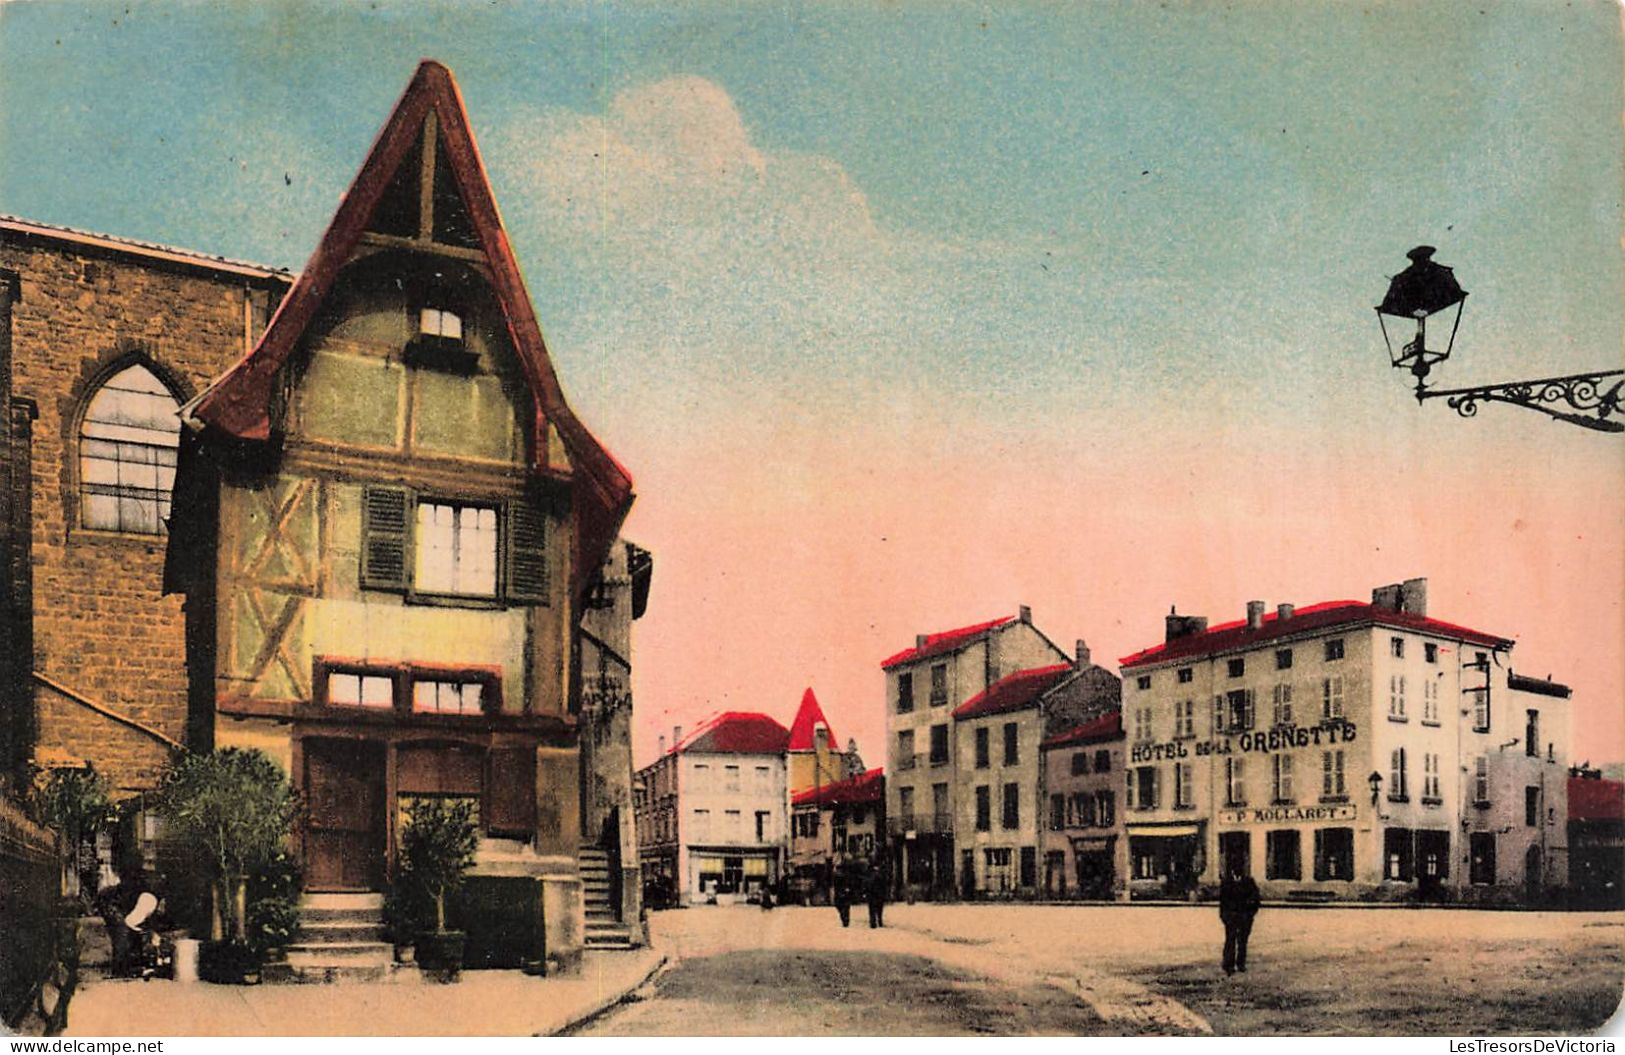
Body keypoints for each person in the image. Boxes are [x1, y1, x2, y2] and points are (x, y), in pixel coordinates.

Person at [95, 865, 159, 978]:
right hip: (109, 902)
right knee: (121, 932)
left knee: (130, 933)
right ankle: (121, 970)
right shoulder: (146, 901)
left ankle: (131, 966)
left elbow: (141, 925)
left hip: (123, 902)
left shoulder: (149, 899)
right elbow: (131, 923)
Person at [1218, 868, 1261, 975]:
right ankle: (1228, 964)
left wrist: (1251, 914)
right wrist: (1224, 916)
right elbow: (1223, 901)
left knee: (1242, 941)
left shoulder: (1249, 882)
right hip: (1231, 917)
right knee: (1230, 940)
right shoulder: (1227, 882)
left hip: (1244, 917)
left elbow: (1256, 899)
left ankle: (1241, 964)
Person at [865, 856, 887, 928]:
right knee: (879, 908)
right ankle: (879, 921)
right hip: (878, 893)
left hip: (872, 893)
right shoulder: (881, 873)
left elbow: (866, 883)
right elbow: (884, 883)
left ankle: (873, 922)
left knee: (872, 908)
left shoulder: (869, 873)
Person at [833, 857, 853, 927]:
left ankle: (845, 919)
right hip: (842, 893)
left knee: (843, 907)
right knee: (844, 907)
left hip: (841, 893)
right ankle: (845, 919)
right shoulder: (838, 876)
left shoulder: (840, 876)